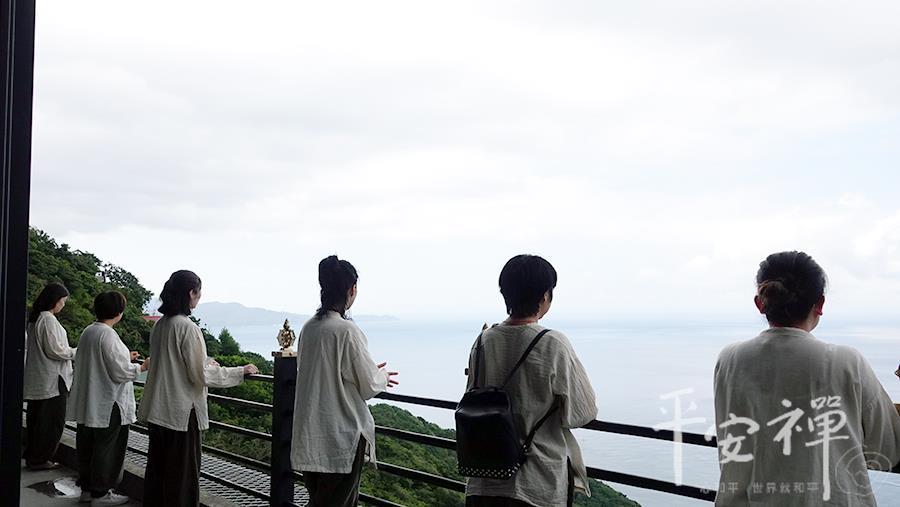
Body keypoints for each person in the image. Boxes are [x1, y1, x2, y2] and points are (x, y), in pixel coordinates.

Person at [714, 251, 900, 506]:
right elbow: (886, 449)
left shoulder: (729, 360)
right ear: (820, 304)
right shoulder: (846, 362)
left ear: (760, 303)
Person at [465, 254, 597, 507]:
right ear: (544, 296)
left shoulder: (483, 340)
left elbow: (472, 396)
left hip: (484, 477)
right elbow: (583, 412)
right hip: (535, 482)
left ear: (505, 294)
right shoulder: (553, 343)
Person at [137, 270, 259, 507]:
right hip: (181, 413)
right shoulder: (188, 328)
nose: (199, 297)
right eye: (199, 292)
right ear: (191, 293)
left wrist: (204, 365)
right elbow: (199, 374)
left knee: (158, 473)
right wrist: (239, 371)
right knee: (182, 478)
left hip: (158, 409)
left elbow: (174, 365)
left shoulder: (160, 325)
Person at [291, 255, 399, 507]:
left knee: (319, 499)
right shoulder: (346, 330)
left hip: (310, 434)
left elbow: (322, 371)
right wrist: (382, 376)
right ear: (351, 289)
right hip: (340, 438)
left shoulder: (309, 328)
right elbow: (369, 385)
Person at [67, 291, 149, 506]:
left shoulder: (89, 331)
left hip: (90, 399)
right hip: (109, 402)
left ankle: (88, 489)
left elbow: (101, 359)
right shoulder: (108, 335)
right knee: (108, 447)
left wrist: (125, 357)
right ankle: (101, 493)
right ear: (119, 312)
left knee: (88, 444)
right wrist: (142, 367)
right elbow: (120, 372)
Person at [23, 282, 74, 470]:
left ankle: (33, 455)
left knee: (37, 419)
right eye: (62, 301)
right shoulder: (48, 320)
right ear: (55, 300)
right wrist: (77, 352)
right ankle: (40, 459)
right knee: (52, 421)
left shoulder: (36, 318)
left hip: (41, 377)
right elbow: (56, 351)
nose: (63, 305)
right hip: (53, 379)